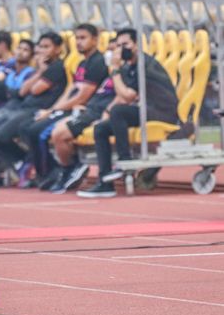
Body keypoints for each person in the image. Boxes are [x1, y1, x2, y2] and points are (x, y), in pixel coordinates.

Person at [77, 28, 178, 198]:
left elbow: (129, 95)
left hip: (161, 111)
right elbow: (120, 97)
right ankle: (105, 182)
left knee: (119, 112)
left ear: (137, 45)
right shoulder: (129, 66)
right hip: (143, 110)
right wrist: (105, 114)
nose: (122, 49)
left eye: (126, 45)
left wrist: (114, 70)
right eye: (119, 45)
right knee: (101, 129)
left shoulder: (144, 64)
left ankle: (125, 160)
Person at [23, 24, 108, 191]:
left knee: (39, 132)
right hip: (72, 107)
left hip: (86, 109)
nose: (79, 42)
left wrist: (54, 111)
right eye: (77, 38)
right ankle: (55, 171)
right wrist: (53, 109)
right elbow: (71, 90)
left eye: (83, 38)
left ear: (95, 40)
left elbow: (83, 96)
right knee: (30, 128)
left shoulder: (98, 62)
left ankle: (64, 168)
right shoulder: (83, 63)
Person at [0, 32, 67, 178]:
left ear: (58, 49)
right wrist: (40, 70)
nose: (42, 50)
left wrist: (40, 70)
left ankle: (35, 163)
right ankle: (23, 162)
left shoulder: (56, 67)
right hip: (24, 108)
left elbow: (33, 89)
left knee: (1, 135)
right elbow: (23, 90)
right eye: (40, 47)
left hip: (36, 110)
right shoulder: (43, 68)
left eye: (47, 47)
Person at [50, 39, 118, 194]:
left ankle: (71, 168)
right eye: (109, 49)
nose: (110, 53)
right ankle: (71, 167)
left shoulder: (123, 71)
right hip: (89, 109)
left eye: (114, 49)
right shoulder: (110, 71)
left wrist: (107, 112)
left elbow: (123, 96)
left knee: (59, 134)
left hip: (98, 113)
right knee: (55, 129)